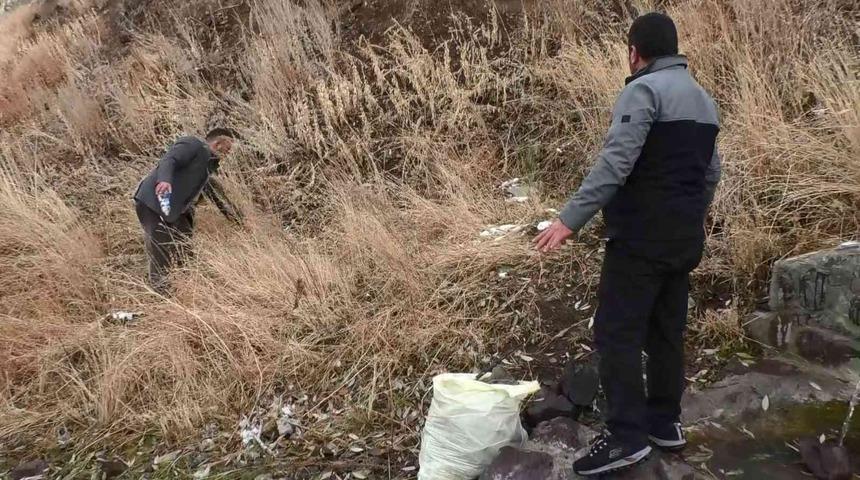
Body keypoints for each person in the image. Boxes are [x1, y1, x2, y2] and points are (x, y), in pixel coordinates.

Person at [534, 13, 721, 476]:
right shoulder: (703, 100)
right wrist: (690, 217)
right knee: (666, 332)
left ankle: (625, 438)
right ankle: (664, 423)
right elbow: (711, 173)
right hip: (684, 238)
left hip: (640, 240)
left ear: (634, 51)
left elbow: (615, 165)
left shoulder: (643, 91)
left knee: (617, 334)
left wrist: (569, 219)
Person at [133, 128, 242, 294]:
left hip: (175, 210)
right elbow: (170, 159)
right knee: (160, 248)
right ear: (218, 142)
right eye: (229, 146)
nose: (230, 150)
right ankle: (162, 292)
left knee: (183, 245)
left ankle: (188, 282)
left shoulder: (208, 165)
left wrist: (238, 220)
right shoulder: (193, 144)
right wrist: (164, 180)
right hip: (153, 202)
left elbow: (215, 195)